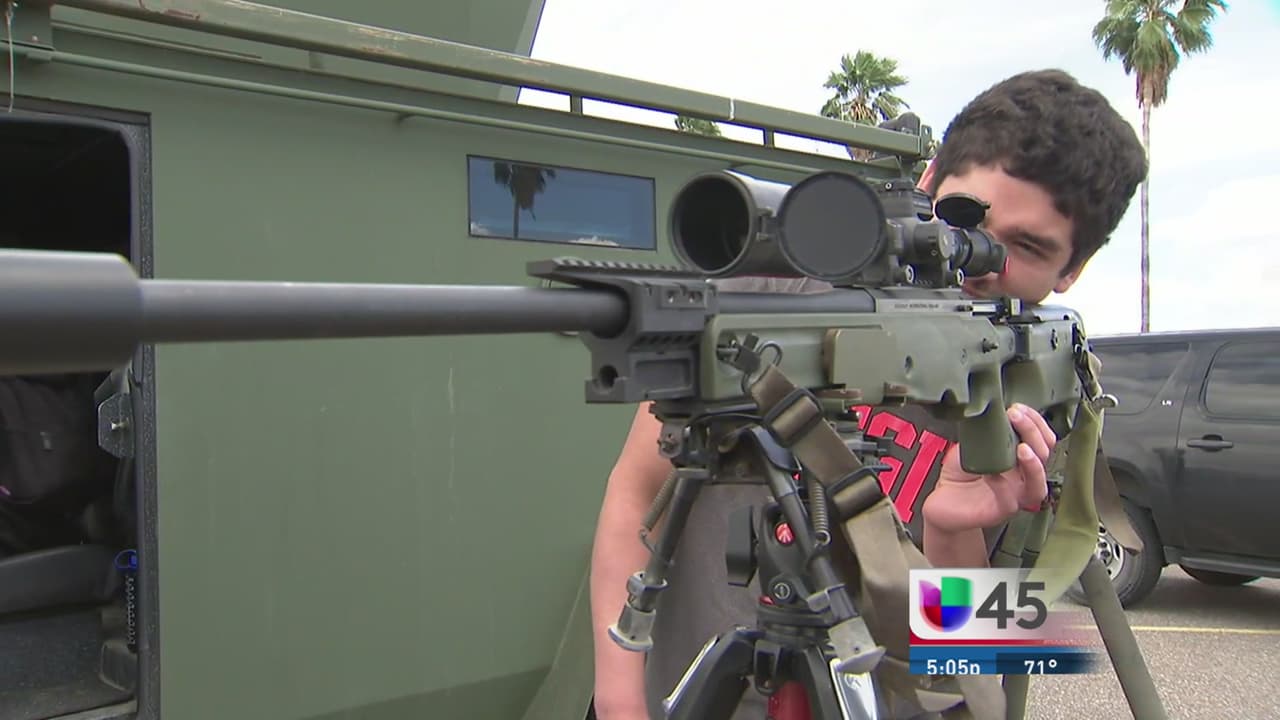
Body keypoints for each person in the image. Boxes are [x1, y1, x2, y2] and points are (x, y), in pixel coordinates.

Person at [589, 68, 1148, 720]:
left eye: (1025, 247)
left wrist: (950, 536)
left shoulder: (1041, 392)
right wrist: (621, 699)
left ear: (1072, 270)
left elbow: (976, 663)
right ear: (926, 179)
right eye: (962, 219)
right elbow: (636, 493)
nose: (976, 263)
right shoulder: (774, 293)